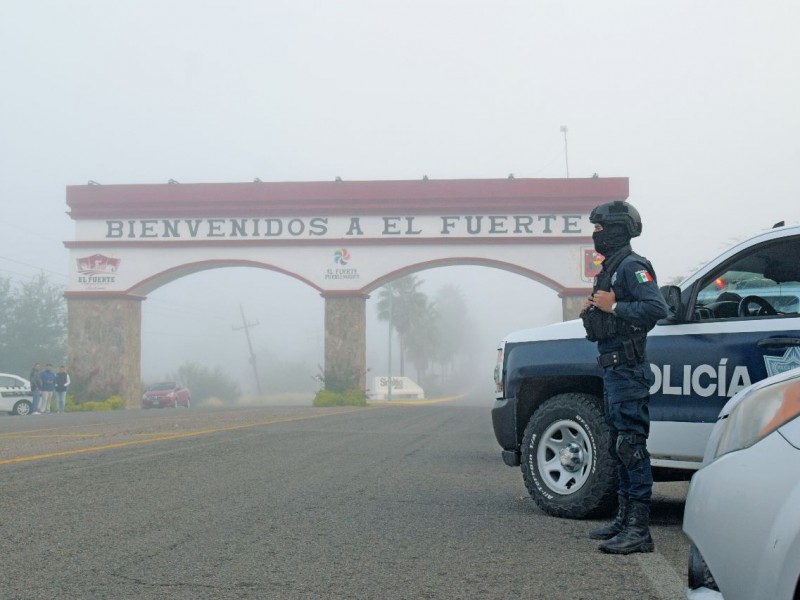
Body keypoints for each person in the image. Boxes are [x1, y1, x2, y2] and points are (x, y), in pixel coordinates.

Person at [580, 200, 668, 555]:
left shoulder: (632, 266)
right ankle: (623, 518)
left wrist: (612, 306)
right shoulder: (612, 269)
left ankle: (638, 530)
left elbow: (656, 308)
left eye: (600, 229)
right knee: (618, 446)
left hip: (628, 370)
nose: (595, 235)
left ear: (617, 229)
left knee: (631, 447)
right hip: (613, 369)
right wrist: (593, 311)